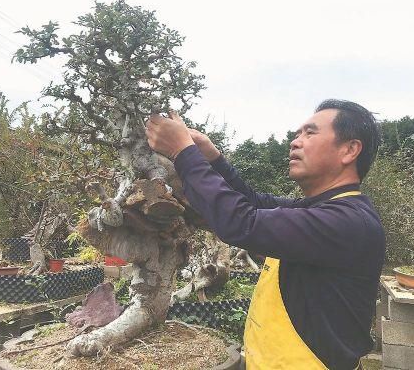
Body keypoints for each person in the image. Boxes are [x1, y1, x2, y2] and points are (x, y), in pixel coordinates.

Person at [145, 99, 385, 370]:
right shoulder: (321, 209)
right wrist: (213, 158)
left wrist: (182, 152)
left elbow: (242, 222)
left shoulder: (346, 221)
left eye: (310, 133)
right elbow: (252, 203)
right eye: (296, 135)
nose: (295, 142)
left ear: (349, 150)